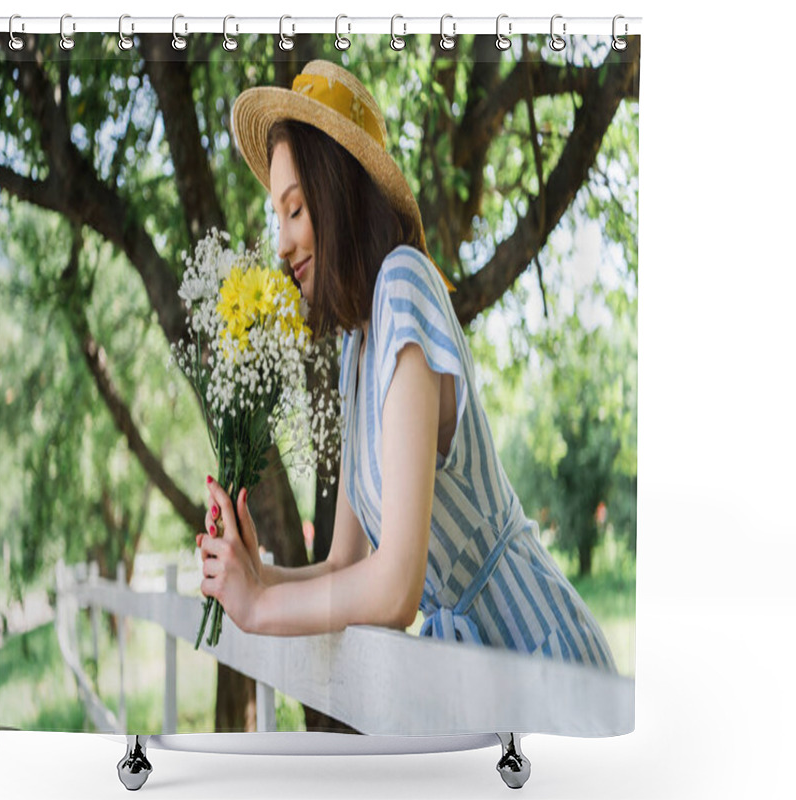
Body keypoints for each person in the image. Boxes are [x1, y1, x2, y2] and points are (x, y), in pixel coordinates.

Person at [197, 60, 616, 672]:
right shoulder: (357, 348)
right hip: (474, 678)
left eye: (295, 210)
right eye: (276, 217)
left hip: (541, 654)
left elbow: (395, 588)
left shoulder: (403, 284)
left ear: (336, 193)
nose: (281, 244)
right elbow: (344, 564)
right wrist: (255, 574)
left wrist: (260, 607)